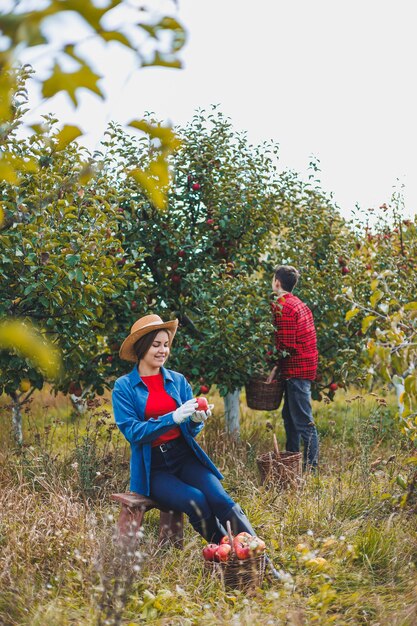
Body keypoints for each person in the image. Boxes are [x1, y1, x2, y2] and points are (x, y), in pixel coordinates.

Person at [111, 314, 257, 544]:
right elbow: (133, 433)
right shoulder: (124, 387)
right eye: (156, 345)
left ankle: (258, 556)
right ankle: (226, 552)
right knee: (195, 501)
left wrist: (196, 420)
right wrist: (172, 418)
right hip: (154, 468)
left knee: (220, 498)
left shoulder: (177, 381)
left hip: (184, 457)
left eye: (166, 345)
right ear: (141, 348)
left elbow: (188, 430)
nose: (163, 351)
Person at [271, 265, 319, 469]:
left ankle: (312, 467)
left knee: (302, 421)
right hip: (302, 366)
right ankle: (292, 461)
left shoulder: (283, 306)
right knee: (289, 417)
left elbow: (286, 345)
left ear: (277, 282)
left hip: (297, 369)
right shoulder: (299, 304)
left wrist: (274, 363)